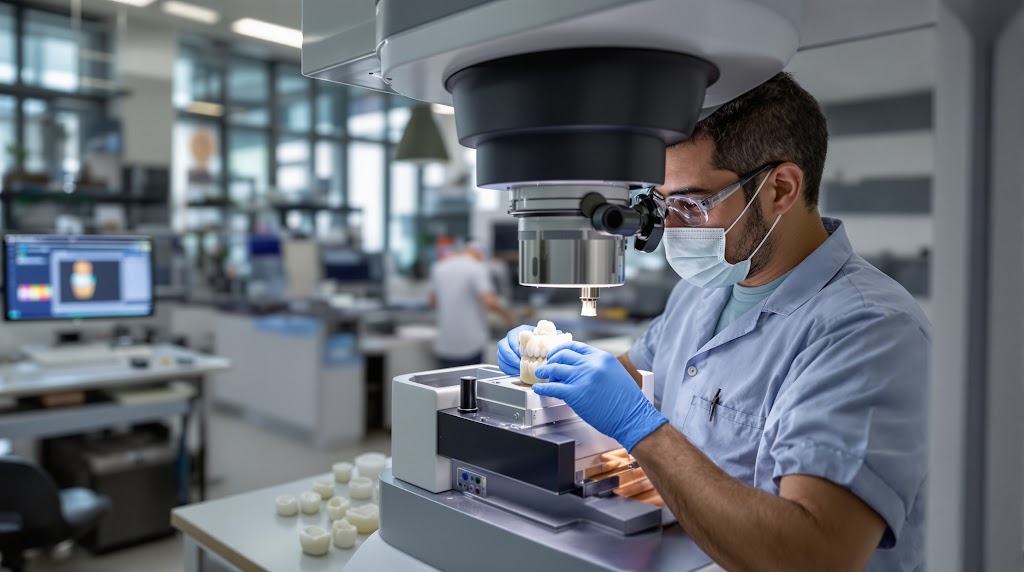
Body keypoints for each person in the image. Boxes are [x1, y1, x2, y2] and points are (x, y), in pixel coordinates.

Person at [497, 72, 928, 571]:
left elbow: (815, 555)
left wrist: (639, 428)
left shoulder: (870, 331)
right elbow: (627, 381)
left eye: (692, 203)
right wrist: (548, 363)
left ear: (781, 189)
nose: (671, 228)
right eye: (661, 203)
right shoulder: (701, 293)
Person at [430, 241, 517, 368]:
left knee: (446, 385)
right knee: (469, 386)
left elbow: (432, 301)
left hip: (444, 345)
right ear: (480, 253)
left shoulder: (439, 266)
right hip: (470, 345)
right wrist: (509, 316)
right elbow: (489, 301)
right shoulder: (477, 268)